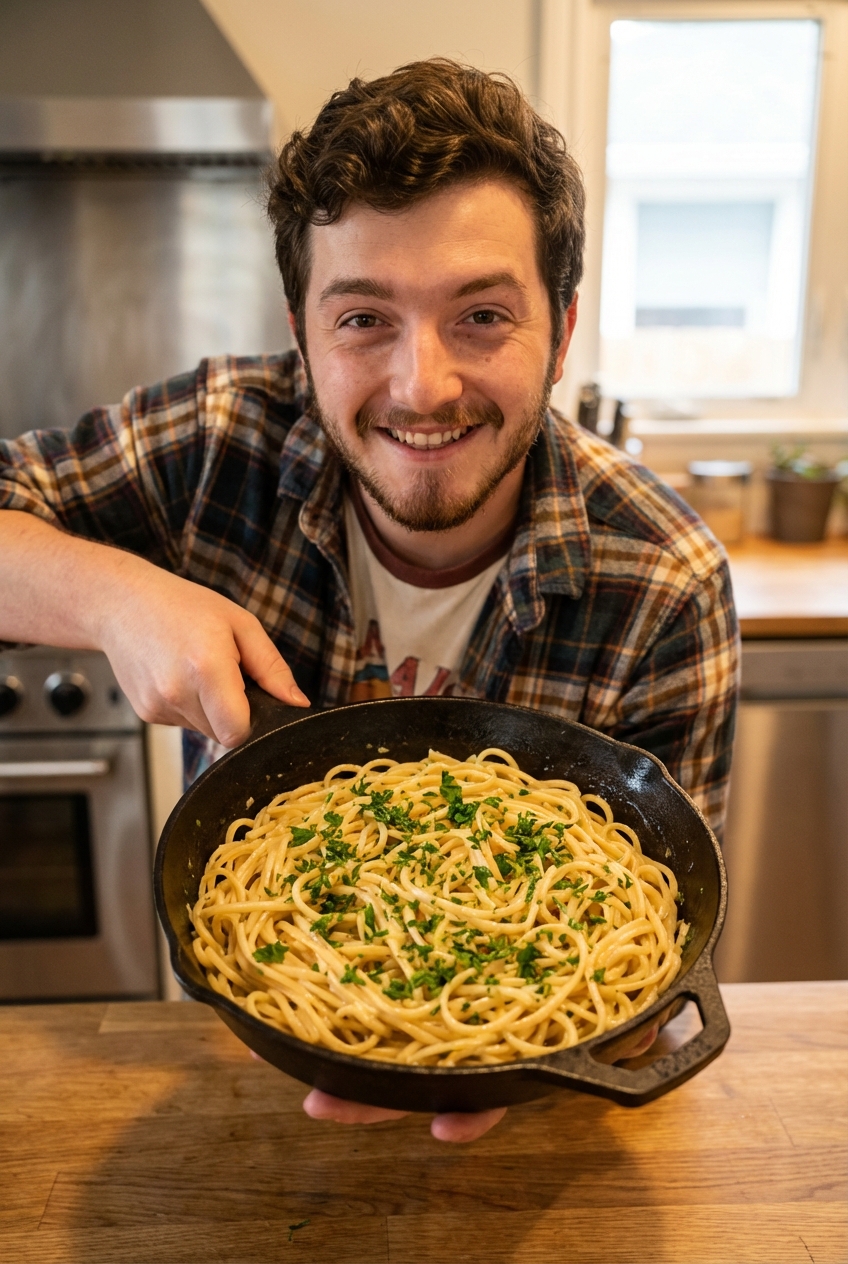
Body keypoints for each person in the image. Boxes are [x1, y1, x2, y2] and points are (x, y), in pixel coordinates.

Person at [0, 60, 738, 1143]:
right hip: (234, 1078)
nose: (419, 386)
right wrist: (115, 597)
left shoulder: (663, 583)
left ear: (562, 330)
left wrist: (524, 1044)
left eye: (481, 314)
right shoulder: (217, 442)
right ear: (301, 329)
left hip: (541, 1135)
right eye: (363, 320)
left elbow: (664, 948)